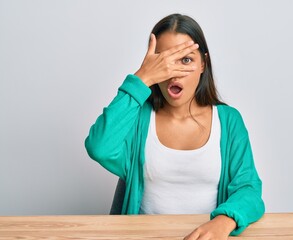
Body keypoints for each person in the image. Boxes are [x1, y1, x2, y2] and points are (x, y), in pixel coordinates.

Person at [85, 13, 265, 239]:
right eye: (164, 62)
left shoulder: (229, 121)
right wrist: (141, 79)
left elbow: (248, 189)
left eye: (186, 60)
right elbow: (99, 147)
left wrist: (225, 220)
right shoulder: (139, 120)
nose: (173, 73)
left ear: (203, 64)